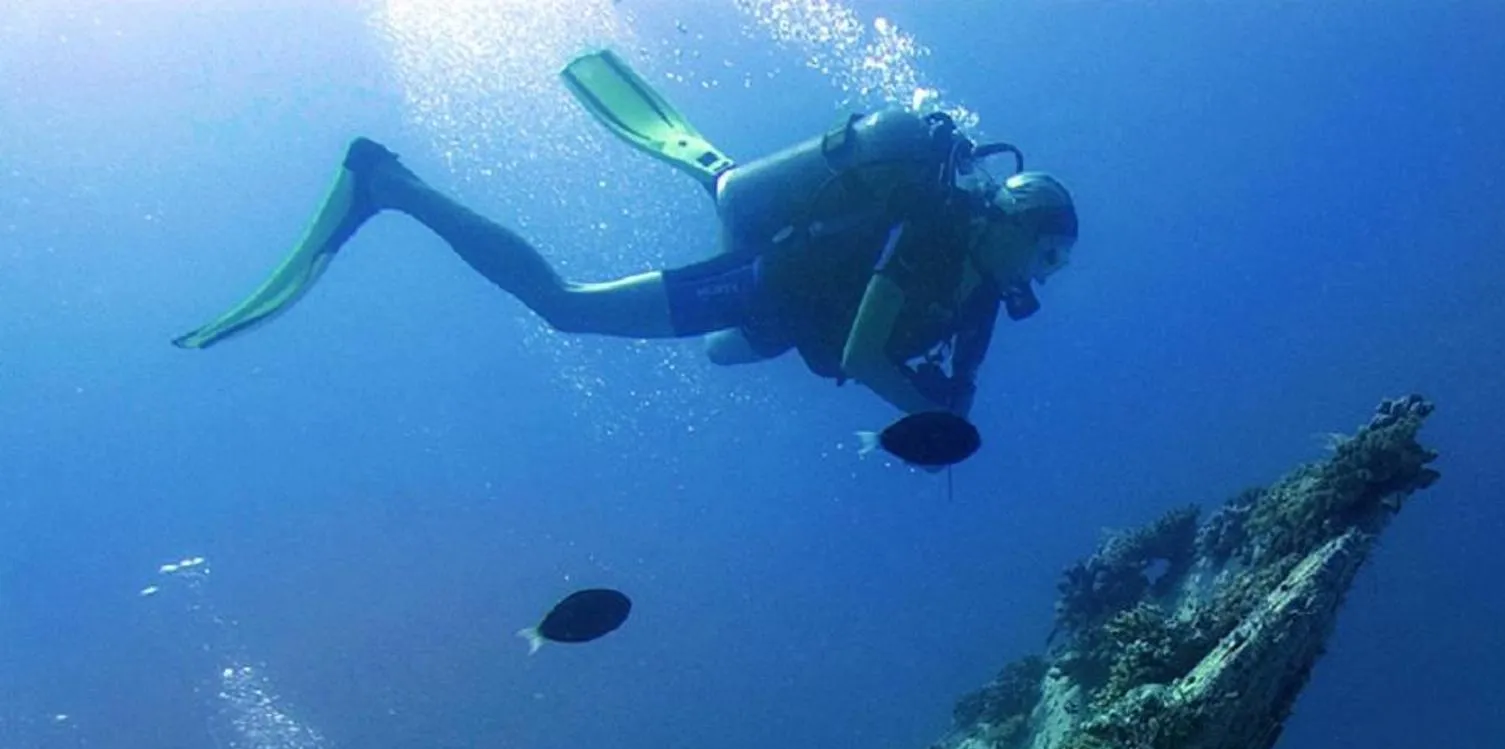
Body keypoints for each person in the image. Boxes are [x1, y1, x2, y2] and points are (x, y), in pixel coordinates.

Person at [175, 50, 1077, 425]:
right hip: (773, 286)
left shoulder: (987, 289)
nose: (1045, 272)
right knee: (565, 311)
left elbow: (943, 377)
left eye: (1053, 264)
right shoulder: (932, 233)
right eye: (1047, 252)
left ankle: (728, 185)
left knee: (732, 354)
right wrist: (922, 414)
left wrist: (948, 405)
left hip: (791, 312)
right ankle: (390, 184)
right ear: (1015, 220)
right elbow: (864, 348)